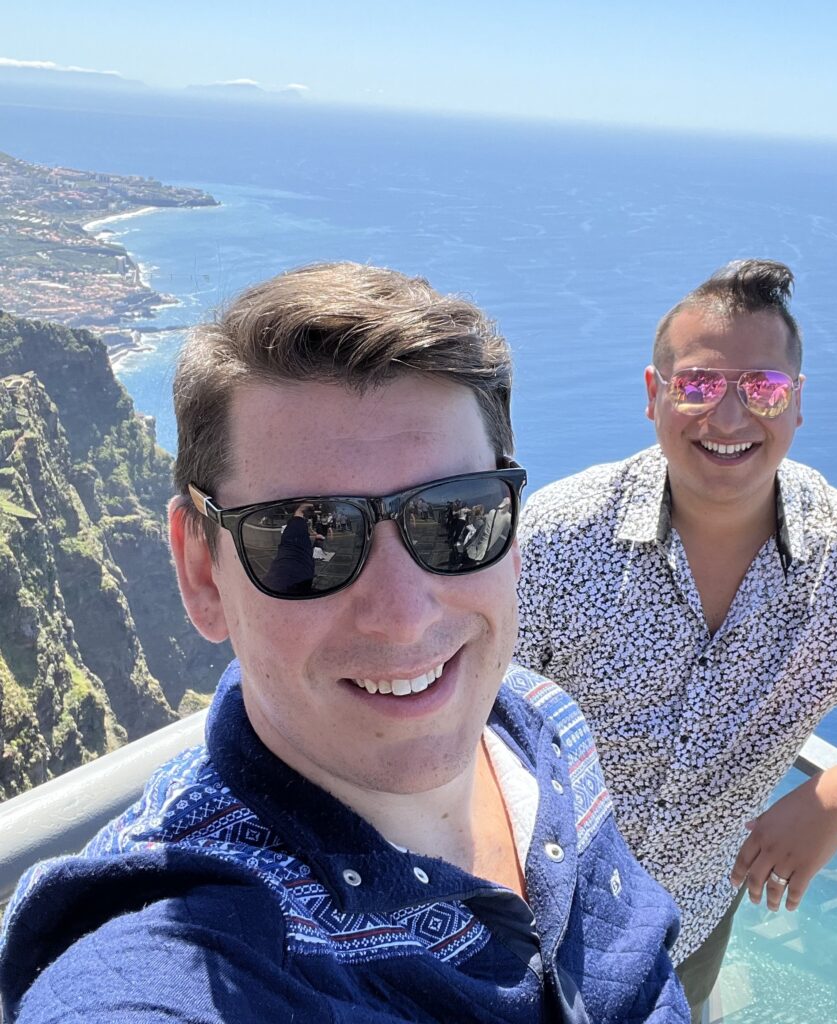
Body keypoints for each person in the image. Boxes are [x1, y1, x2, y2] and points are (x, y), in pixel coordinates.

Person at [0, 263, 689, 1023]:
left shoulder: (545, 723)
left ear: (511, 530)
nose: (402, 617)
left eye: (455, 519)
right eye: (305, 539)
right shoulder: (174, 957)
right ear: (202, 571)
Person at [514, 259, 837, 1020]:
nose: (728, 419)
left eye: (762, 389)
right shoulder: (562, 534)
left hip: (683, 930)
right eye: (698, 385)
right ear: (654, 398)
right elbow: (465, 716)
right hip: (523, 916)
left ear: (796, 404)